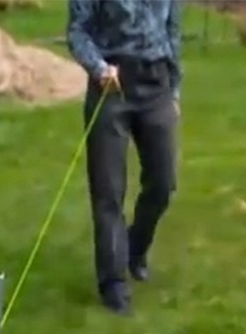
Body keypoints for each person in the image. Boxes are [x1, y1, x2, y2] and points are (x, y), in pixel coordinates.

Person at [66, 0, 182, 316]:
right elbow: (77, 31)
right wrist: (98, 68)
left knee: (164, 182)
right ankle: (113, 282)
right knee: (108, 191)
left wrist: (174, 91)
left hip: (156, 82)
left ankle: (135, 249)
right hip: (112, 85)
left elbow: (172, 30)